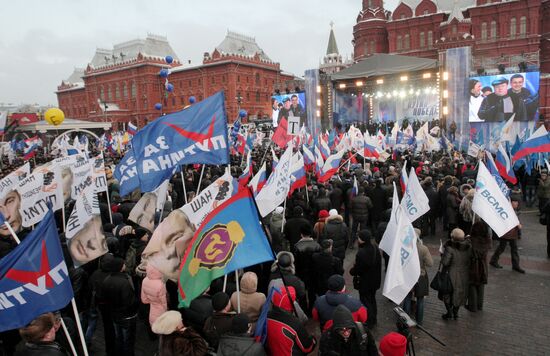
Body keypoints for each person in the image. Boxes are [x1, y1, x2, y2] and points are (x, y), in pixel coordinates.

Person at [100, 256, 139, 356]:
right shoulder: (124, 282)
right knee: (128, 341)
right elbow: (129, 302)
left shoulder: (106, 280)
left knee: (119, 338)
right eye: (123, 264)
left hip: (115, 314)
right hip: (127, 316)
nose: (125, 265)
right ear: (120, 267)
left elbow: (104, 298)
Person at [266, 286, 316, 356]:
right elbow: (307, 348)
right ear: (289, 303)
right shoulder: (295, 324)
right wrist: (314, 340)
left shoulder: (266, 316)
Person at [349, 229, 381, 327]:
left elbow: (358, 269)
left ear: (362, 240)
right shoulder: (375, 248)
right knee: (372, 299)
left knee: (366, 302)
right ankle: (374, 318)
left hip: (365, 282)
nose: (357, 239)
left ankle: (369, 320)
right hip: (375, 281)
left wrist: (352, 270)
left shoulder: (361, 253)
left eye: (358, 238)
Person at [402, 229, 433, 325]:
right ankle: (419, 321)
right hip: (421, 275)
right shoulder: (423, 249)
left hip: (408, 275)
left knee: (407, 298)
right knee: (420, 299)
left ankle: (406, 319)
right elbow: (430, 263)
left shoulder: (404, 247)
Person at [441, 228, 472, 320]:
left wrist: (442, 254)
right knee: (459, 293)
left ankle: (449, 312)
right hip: (464, 274)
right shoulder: (468, 247)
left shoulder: (450, 248)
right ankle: (455, 312)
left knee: (446, 293)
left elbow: (445, 262)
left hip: (450, 274)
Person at [490, 198, 525, 273]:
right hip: (507, 233)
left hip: (512, 233)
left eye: (517, 202)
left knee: (509, 248)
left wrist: (518, 225)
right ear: (510, 202)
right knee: (504, 247)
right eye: (514, 202)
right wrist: (518, 224)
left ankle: (515, 265)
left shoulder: (514, 211)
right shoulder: (507, 211)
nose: (516, 203)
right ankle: (514, 265)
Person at [293, 224, 321, 313]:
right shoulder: (317, 245)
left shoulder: (297, 246)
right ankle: (312, 309)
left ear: (301, 234)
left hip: (301, 273)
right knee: (312, 292)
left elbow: (295, 262)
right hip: (313, 273)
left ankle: (303, 309)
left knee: (302, 293)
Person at [467, 221, 492, 312]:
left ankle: (472, 306)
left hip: (473, 265)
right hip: (483, 265)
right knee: (481, 285)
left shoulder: (471, 241)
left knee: (472, 285)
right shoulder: (487, 240)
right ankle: (479, 305)